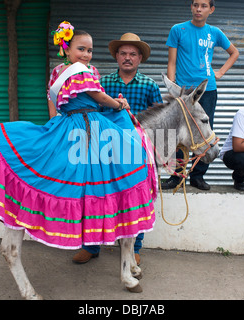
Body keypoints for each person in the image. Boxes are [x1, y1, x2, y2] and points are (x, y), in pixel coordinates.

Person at [0, 21, 157, 252]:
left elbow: (77, 99)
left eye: (90, 50)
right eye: (81, 49)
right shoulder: (75, 72)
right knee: (90, 179)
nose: (86, 54)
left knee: (103, 177)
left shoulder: (79, 71)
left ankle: (123, 244)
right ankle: (89, 244)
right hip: (80, 126)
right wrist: (120, 104)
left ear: (139, 58)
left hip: (87, 125)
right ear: (66, 49)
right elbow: (93, 97)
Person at [72, 33, 163, 265]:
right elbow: (93, 112)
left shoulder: (150, 86)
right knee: (96, 195)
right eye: (123, 53)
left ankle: (135, 247)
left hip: (135, 151)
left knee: (136, 198)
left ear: (140, 58)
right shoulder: (102, 83)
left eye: (133, 54)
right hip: (104, 148)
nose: (127, 58)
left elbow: (158, 120)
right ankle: (91, 246)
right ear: (116, 57)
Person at [162, 0, 239, 191]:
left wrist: (219, 73)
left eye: (204, 6)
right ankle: (176, 176)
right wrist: (173, 88)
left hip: (207, 90)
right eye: (196, 4)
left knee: (203, 132)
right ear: (191, 7)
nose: (199, 9)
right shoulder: (178, 30)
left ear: (211, 10)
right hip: (183, 91)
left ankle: (198, 176)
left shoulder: (215, 33)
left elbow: (234, 53)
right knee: (178, 132)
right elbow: (171, 62)